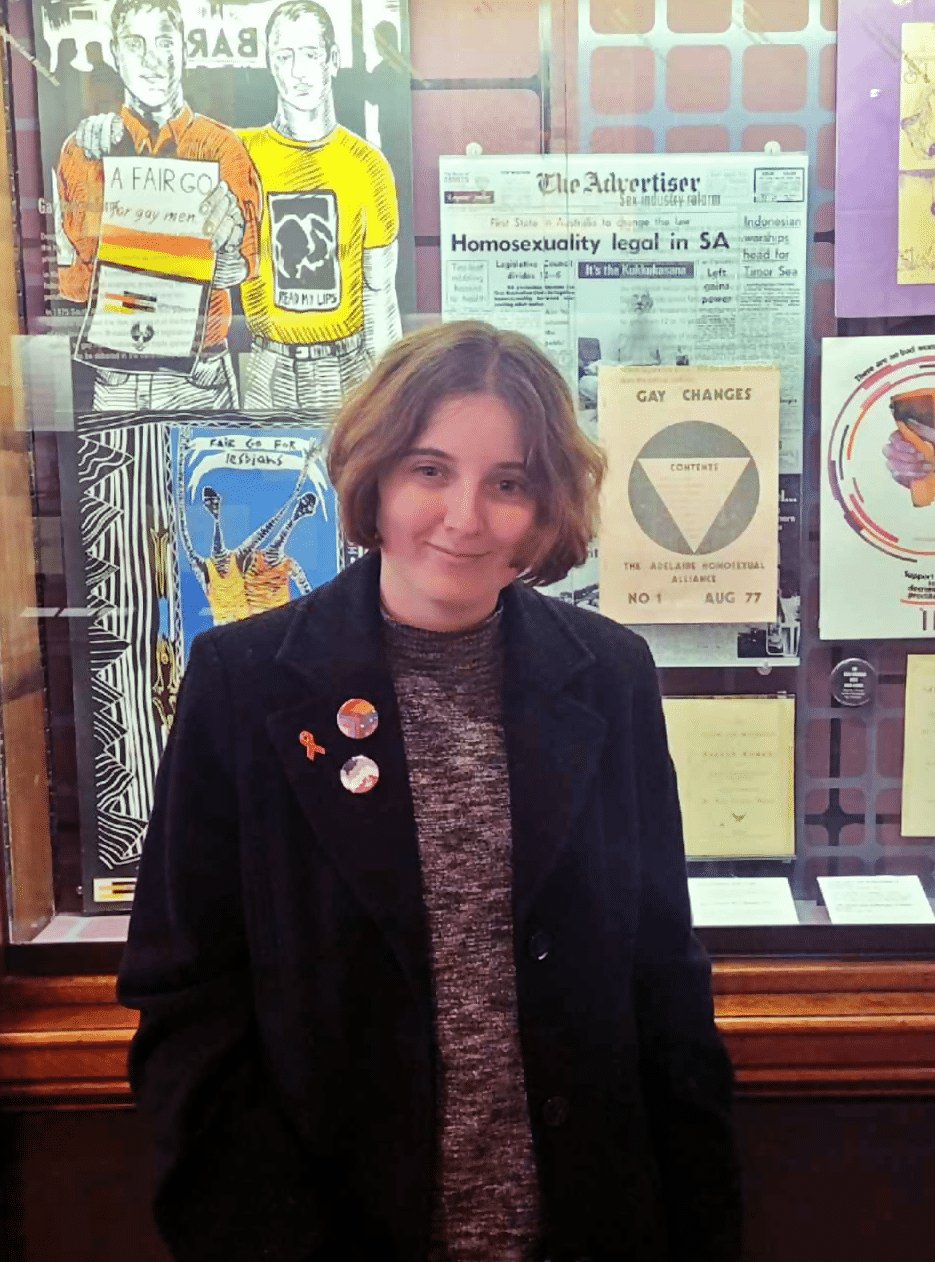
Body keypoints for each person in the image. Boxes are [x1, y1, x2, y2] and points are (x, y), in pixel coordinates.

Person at [118, 320, 742, 1262]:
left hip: (585, 1222)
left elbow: (663, 976)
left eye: (508, 482)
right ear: (374, 473)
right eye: (429, 470)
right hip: (329, 1228)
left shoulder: (609, 675)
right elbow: (186, 997)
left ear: (545, 506)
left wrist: (701, 1226)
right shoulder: (244, 681)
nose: (464, 517)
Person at [58, 0, 262, 411]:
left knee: (207, 477)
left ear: (184, 49)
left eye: (165, 42)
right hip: (117, 372)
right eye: (135, 44)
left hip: (198, 376)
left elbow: (244, 268)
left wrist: (224, 243)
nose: (152, 59)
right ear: (115, 54)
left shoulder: (223, 147)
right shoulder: (84, 151)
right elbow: (76, 288)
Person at [238, 0, 401, 414]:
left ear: (333, 60)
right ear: (269, 64)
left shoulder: (367, 165)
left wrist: (397, 396)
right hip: (265, 365)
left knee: (348, 478)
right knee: (261, 477)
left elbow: (380, 295)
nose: (298, 71)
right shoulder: (240, 154)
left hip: (345, 368)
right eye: (284, 56)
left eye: (310, 54)